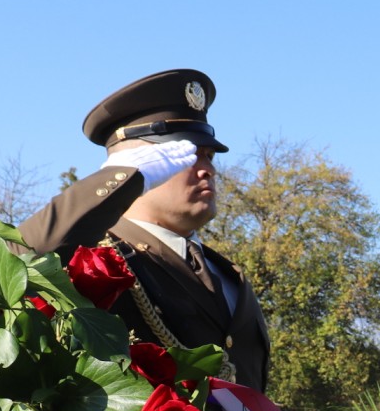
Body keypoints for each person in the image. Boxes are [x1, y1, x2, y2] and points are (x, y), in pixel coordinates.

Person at [19, 69, 270, 391]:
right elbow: (15, 262)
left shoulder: (227, 275)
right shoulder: (91, 256)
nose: (207, 169)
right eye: (189, 156)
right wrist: (118, 180)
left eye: (208, 157)